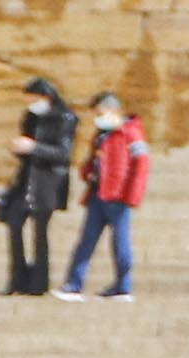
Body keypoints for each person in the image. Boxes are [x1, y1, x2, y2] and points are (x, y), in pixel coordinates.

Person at [58, 94, 147, 300]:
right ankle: (74, 284)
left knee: (120, 241)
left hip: (118, 196)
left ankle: (123, 285)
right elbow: (92, 160)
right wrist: (87, 171)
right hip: (97, 194)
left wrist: (132, 196)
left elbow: (141, 166)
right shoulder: (102, 136)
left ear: (113, 110)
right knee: (86, 241)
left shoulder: (131, 134)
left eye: (99, 113)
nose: (97, 118)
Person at [0, 78, 76, 296]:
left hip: (47, 182)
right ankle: (17, 278)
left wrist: (34, 148)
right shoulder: (31, 117)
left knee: (40, 233)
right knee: (14, 223)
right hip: (25, 180)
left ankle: (38, 282)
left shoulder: (64, 118)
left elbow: (63, 153)